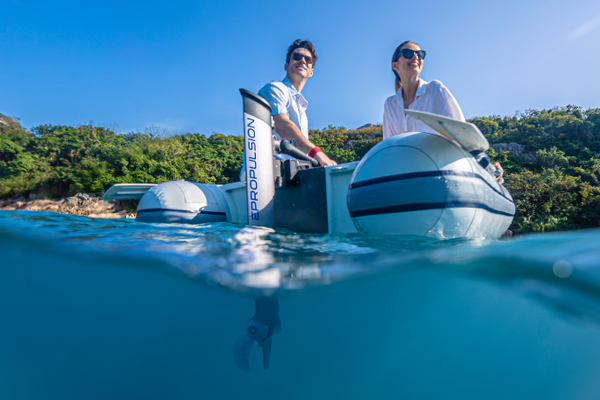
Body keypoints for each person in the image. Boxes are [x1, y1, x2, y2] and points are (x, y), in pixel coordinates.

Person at [383, 40, 503, 181]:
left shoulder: (435, 89)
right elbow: (388, 149)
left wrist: (489, 170)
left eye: (420, 54)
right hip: (409, 177)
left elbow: (461, 135)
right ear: (395, 65)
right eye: (408, 53)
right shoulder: (390, 104)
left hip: (441, 175)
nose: (415, 57)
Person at [258, 39, 337, 167]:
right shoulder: (275, 88)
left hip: (295, 175)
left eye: (308, 60)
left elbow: (300, 147)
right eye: (297, 56)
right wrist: (317, 153)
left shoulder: (302, 109)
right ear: (286, 66)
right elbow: (282, 126)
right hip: (268, 174)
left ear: (311, 72)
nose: (302, 61)